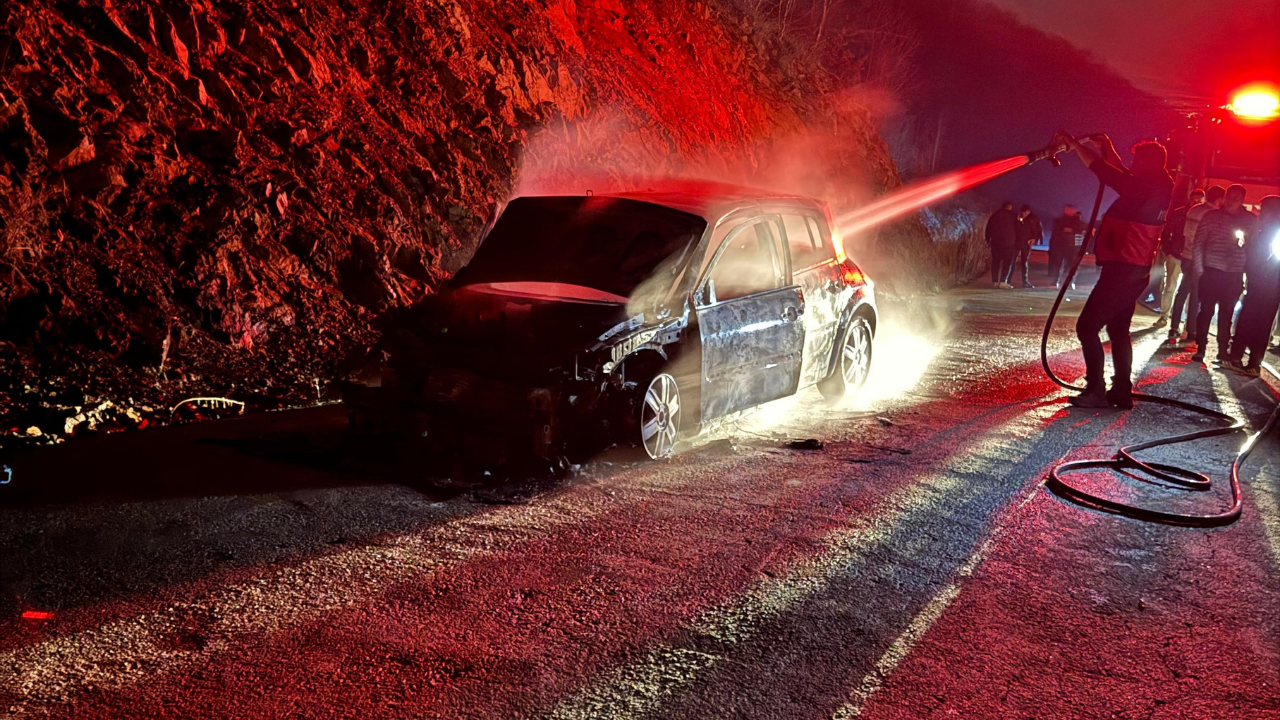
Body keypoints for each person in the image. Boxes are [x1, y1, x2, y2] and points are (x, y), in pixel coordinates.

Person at [1058, 132, 1173, 408]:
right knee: (1118, 329)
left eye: (1137, 161)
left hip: (1123, 269)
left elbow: (1108, 174)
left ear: (1150, 163)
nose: (1132, 165)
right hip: (1131, 269)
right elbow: (1120, 173)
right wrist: (1107, 146)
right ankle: (1121, 390)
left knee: (1087, 327)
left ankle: (1096, 390)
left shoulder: (1149, 186)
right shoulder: (1155, 183)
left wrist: (1076, 148)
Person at [1192, 184, 1258, 362]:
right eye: (1230, 196)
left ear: (1243, 200)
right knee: (1205, 310)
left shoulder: (1250, 220)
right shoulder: (1211, 216)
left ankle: (1222, 350)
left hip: (1234, 272)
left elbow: (1254, 247)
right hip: (1211, 270)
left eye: (1237, 197)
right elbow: (1199, 242)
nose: (1232, 200)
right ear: (1225, 196)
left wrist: (1245, 245)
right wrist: (1199, 268)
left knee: (1227, 312)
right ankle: (1201, 347)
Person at [1224, 196, 1280, 376]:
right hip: (1266, 284)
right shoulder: (1265, 229)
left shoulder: (1273, 231)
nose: (1260, 211)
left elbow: (1267, 258)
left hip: (1266, 284)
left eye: (1263, 208)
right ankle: (1248, 361)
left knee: (1253, 321)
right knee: (1257, 321)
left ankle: (1244, 360)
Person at [1170, 185, 1226, 344]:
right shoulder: (1211, 214)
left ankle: (1173, 327)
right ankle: (1191, 330)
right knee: (1195, 295)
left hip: (1186, 255)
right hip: (1199, 258)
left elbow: (1185, 233)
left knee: (1182, 292)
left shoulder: (1193, 210)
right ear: (1219, 199)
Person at [1154, 187, 1203, 330]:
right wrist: (1168, 251)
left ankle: (1187, 320)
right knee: (1170, 287)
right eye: (1194, 198)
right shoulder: (1179, 213)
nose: (1196, 202)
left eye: (1199, 199)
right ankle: (1164, 316)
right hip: (1177, 255)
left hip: (1191, 257)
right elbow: (1166, 232)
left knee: (1189, 291)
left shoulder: (1202, 215)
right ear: (1190, 198)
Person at [1048, 205, 1085, 288]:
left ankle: (1070, 282)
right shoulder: (1060, 220)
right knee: (1059, 265)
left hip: (1073, 247)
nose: (1069, 211)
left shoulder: (1077, 221)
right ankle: (1055, 281)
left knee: (1071, 266)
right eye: (1067, 209)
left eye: (1071, 210)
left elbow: (1080, 229)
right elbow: (1056, 231)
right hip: (1061, 246)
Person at [985, 201, 1019, 289]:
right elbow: (1018, 229)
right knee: (1007, 263)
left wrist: (988, 239)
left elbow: (989, 228)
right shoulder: (1013, 216)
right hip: (1009, 243)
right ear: (1010, 207)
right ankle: (1003, 281)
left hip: (996, 242)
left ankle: (995, 281)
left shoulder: (995, 215)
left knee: (995, 262)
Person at [1011, 204, 1042, 288]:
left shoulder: (1033, 218)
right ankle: (1008, 280)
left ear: (1029, 211)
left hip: (1026, 242)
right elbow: (1015, 228)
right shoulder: (1017, 217)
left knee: (1024, 262)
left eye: (1026, 212)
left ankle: (1025, 281)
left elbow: (1038, 229)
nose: (1024, 214)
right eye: (1023, 212)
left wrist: (1034, 238)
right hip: (1017, 241)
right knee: (1012, 260)